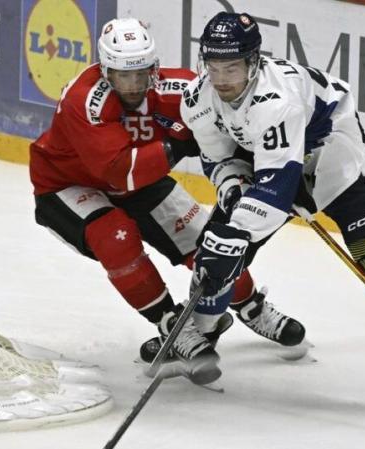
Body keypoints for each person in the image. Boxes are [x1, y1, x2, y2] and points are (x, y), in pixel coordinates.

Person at [29, 18, 305, 385]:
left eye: (141, 73)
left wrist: (266, 164)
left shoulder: (180, 88)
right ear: (104, 70)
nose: (133, 85)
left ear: (154, 68)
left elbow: (231, 121)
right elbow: (118, 172)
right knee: (117, 237)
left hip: (142, 183)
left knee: (208, 243)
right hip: (67, 186)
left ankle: (251, 305)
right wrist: (178, 145)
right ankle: (172, 325)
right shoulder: (85, 99)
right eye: (122, 75)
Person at [180, 12, 365, 333]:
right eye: (213, 67)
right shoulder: (197, 99)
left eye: (231, 68)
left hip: (331, 150)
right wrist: (232, 187)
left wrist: (241, 230)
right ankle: (199, 333)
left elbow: (276, 193)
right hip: (266, 154)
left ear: (253, 62)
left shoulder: (277, 102)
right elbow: (218, 158)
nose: (221, 80)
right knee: (214, 254)